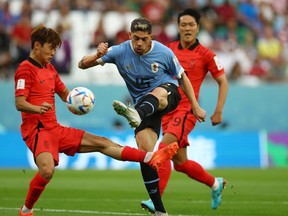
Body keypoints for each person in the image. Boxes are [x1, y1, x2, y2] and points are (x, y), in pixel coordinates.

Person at [15, 25, 179, 216]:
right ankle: (26, 210)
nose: (53, 53)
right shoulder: (25, 69)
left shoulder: (50, 69)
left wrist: (81, 100)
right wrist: (37, 108)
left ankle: (150, 157)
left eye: (55, 49)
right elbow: (19, 102)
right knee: (47, 171)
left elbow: (65, 94)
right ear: (36, 46)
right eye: (50, 48)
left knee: (103, 143)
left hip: (55, 129)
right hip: (37, 130)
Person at [78, 18, 206, 216]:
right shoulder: (119, 51)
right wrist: (98, 54)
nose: (139, 43)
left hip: (167, 94)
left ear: (151, 38)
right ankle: (160, 211)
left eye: (144, 39)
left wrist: (196, 106)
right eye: (135, 38)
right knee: (145, 154)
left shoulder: (164, 52)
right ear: (129, 36)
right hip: (143, 108)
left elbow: (182, 78)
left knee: (158, 94)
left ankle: (137, 114)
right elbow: (82, 65)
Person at [140, 8, 229, 214]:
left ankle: (156, 200)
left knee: (163, 149)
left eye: (191, 24)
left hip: (187, 111)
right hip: (166, 110)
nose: (187, 28)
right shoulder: (168, 49)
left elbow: (223, 82)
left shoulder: (206, 55)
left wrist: (218, 111)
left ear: (198, 27)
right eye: (183, 24)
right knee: (180, 163)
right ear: (178, 27)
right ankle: (215, 184)